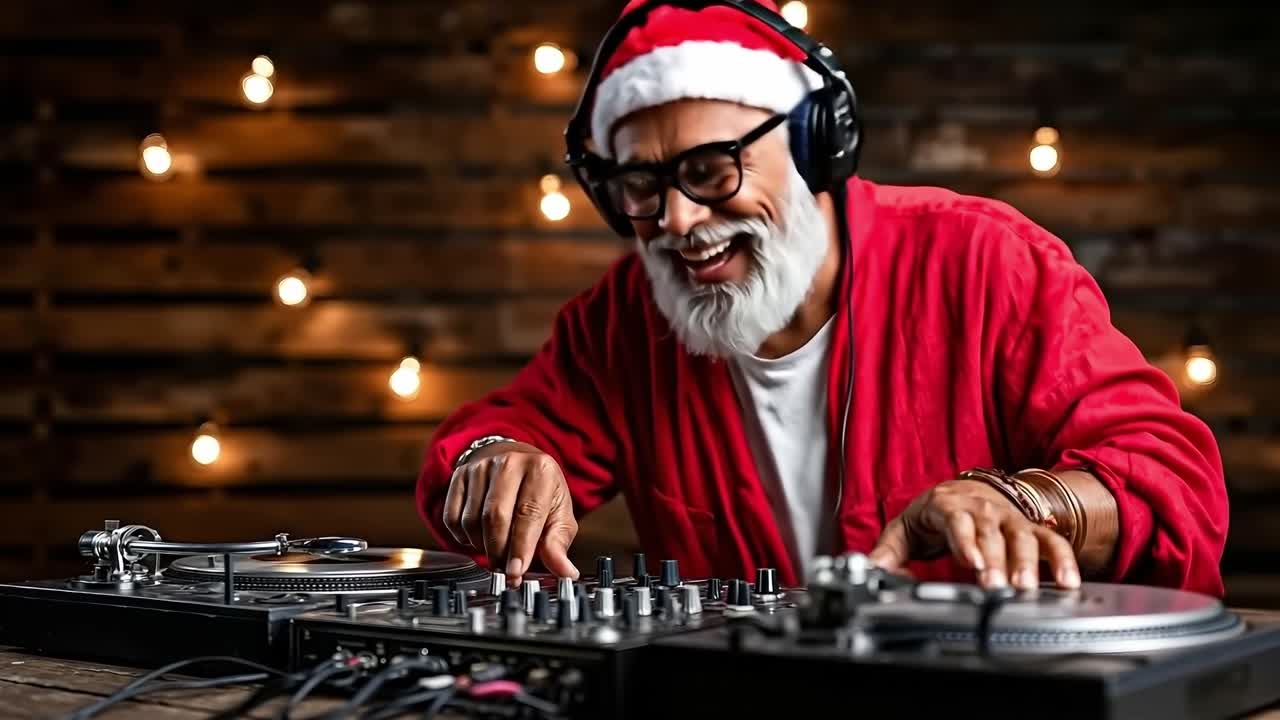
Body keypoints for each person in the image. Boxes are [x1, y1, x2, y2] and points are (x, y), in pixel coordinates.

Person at [414, 0, 1229, 596]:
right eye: (641, 185)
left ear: (813, 144)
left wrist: (1022, 501)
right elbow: (504, 434)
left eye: (710, 170)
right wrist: (496, 460)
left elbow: (1170, 480)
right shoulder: (624, 320)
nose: (677, 219)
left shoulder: (986, 260)